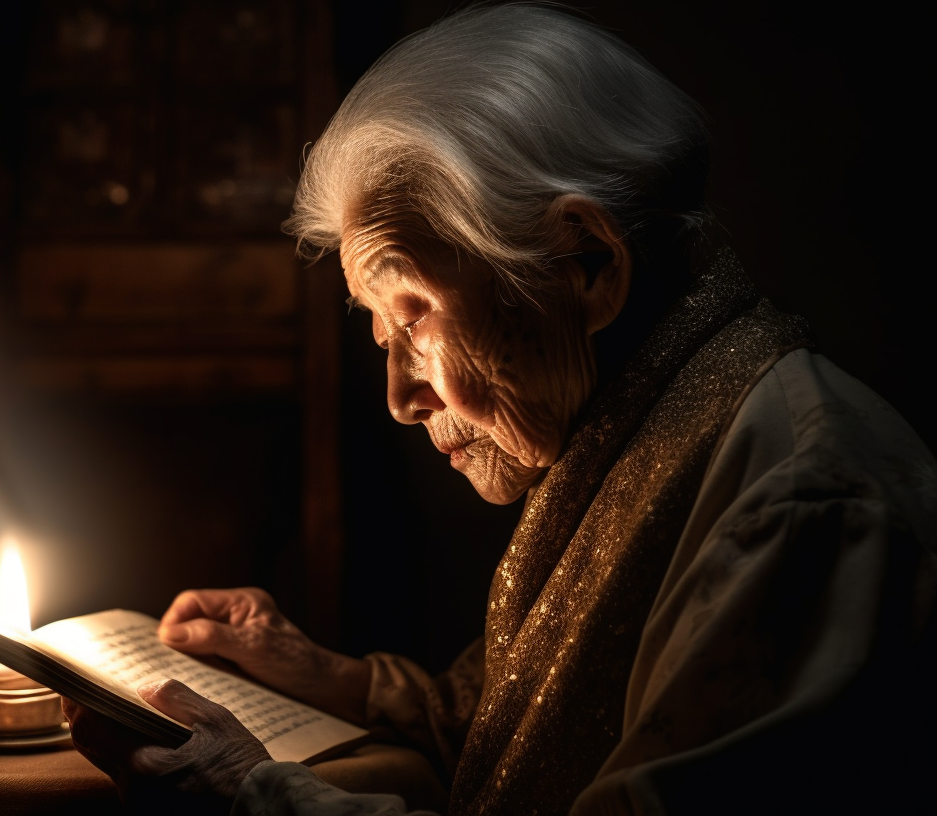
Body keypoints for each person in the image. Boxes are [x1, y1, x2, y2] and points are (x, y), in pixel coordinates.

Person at [62, 4, 937, 814]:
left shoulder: (807, 509)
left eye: (416, 319)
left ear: (586, 264)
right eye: (382, 338)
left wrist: (249, 790)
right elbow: (520, 742)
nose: (403, 400)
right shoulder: (638, 429)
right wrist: (321, 674)